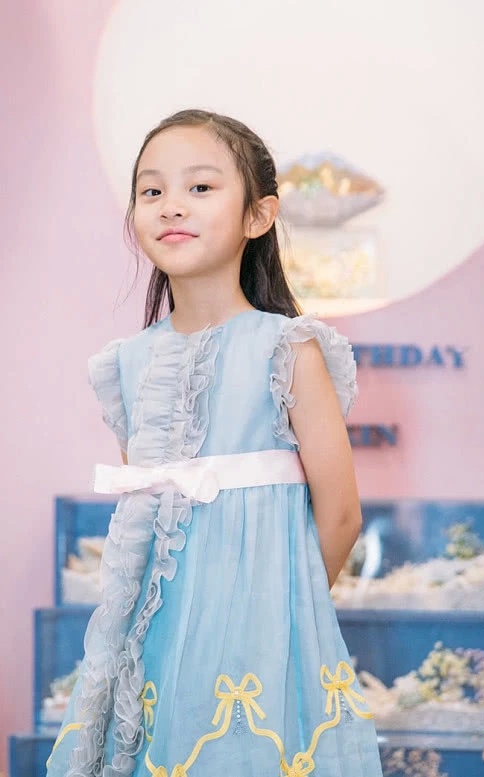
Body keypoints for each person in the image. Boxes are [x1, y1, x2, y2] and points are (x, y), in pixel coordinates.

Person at [46, 109, 383, 777]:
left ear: (258, 216)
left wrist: (281, 623)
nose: (172, 205)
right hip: (157, 645)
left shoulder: (287, 349)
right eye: (151, 190)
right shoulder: (128, 364)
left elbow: (341, 514)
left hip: (261, 647)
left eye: (200, 187)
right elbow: (145, 519)